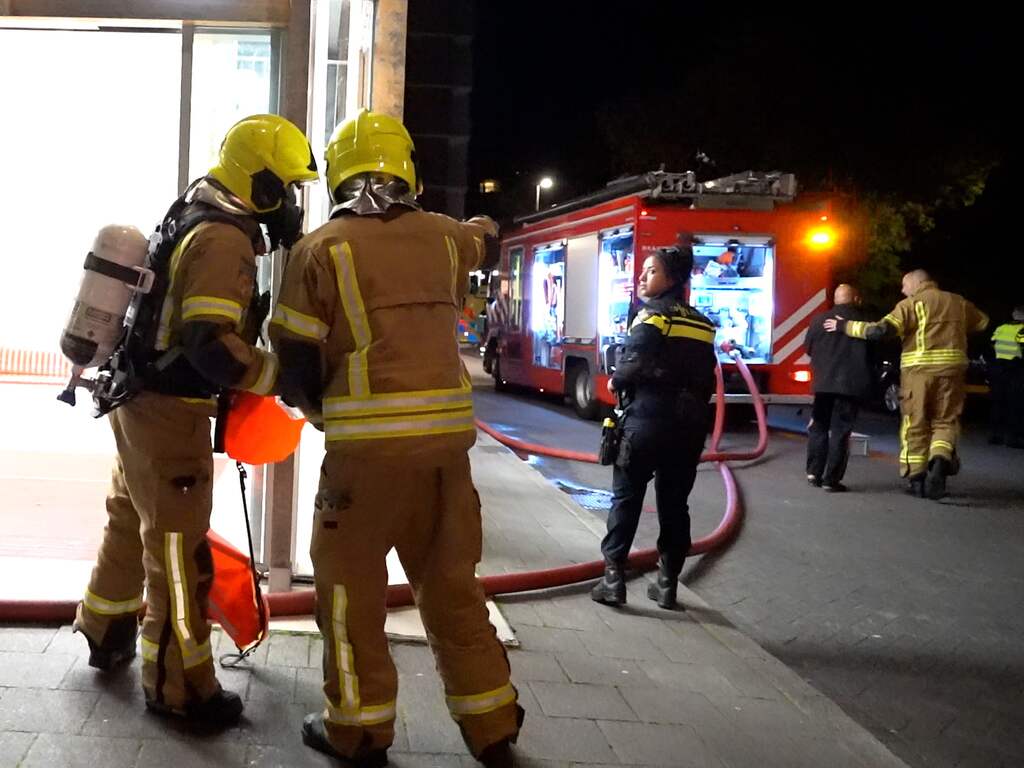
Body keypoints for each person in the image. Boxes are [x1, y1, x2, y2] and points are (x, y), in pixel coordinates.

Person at [269, 109, 522, 768]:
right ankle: (493, 723)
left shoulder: (318, 249)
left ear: (338, 174)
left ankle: (356, 730)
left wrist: (323, 412)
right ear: (406, 168)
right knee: (451, 585)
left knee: (350, 595)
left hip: (364, 461)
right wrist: (481, 226)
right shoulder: (445, 239)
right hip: (445, 454)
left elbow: (294, 364)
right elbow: (486, 238)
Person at [73, 114, 318, 724]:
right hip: (168, 412)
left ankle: (105, 628)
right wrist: (278, 378)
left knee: (130, 518)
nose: (289, 204)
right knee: (180, 554)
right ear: (259, 184)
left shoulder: (194, 207)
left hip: (137, 401)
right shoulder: (223, 239)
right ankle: (179, 686)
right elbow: (210, 344)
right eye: (285, 188)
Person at [591, 245, 716, 610]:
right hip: (688, 427)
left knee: (626, 500)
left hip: (646, 422)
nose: (642, 277)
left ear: (671, 279)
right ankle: (666, 584)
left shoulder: (652, 316)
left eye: (650, 271)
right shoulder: (703, 323)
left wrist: (617, 380)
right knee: (675, 505)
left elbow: (634, 360)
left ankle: (613, 580)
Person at [824, 269, 988, 499]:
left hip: (918, 373)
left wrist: (845, 327)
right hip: (952, 374)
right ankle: (940, 460)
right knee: (945, 422)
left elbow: (879, 330)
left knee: (915, 423)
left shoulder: (911, 305)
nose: (903, 290)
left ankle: (917, 479)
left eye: (904, 285)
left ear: (917, 283)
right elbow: (982, 322)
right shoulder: (958, 302)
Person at [804, 284, 872, 491]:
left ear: (835, 299)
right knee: (841, 432)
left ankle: (813, 472)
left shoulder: (818, 320)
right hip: (850, 386)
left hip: (823, 385)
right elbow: (873, 352)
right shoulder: (864, 323)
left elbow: (808, 348)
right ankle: (831, 480)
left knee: (819, 427)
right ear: (856, 299)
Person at [989, 306, 1024, 448]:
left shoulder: (1001, 327)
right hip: (1016, 368)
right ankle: (1013, 438)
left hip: (998, 368)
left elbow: (992, 344)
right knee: (1015, 404)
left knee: (998, 402)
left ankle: (995, 435)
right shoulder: (1022, 330)